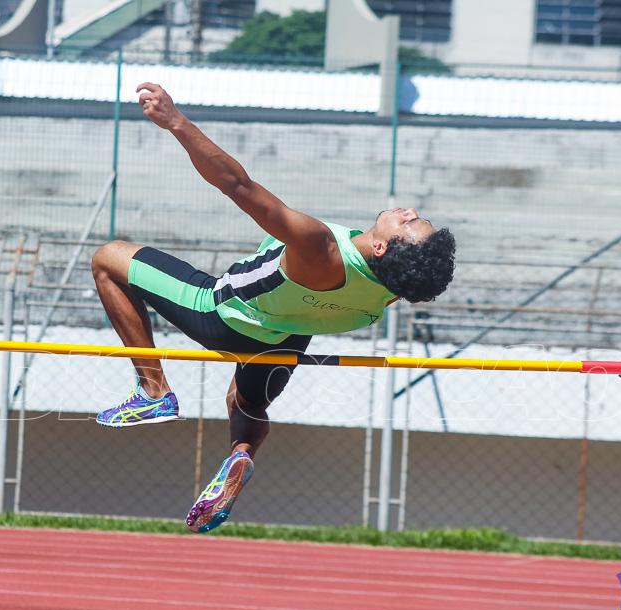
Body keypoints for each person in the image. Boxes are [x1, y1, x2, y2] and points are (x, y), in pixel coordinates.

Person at [91, 82, 456, 533]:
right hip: (288, 336)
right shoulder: (394, 287)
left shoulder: (320, 247)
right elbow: (424, 275)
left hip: (223, 316)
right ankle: (241, 453)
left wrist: (176, 122)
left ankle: (153, 392)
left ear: (381, 247)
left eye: (410, 222)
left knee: (108, 258)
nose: (408, 210)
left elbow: (237, 184)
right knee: (245, 404)